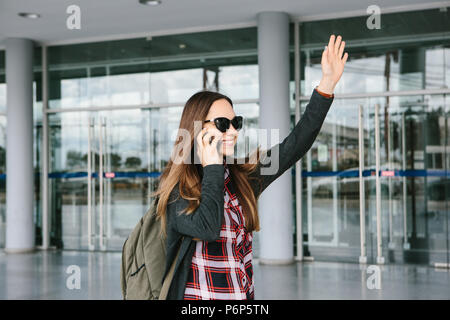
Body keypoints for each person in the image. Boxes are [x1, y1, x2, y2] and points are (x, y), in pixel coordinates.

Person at [151, 34, 348, 300]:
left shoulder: (241, 178)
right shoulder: (176, 189)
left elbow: (295, 146)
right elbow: (207, 228)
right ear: (198, 127)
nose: (232, 130)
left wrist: (326, 85)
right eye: (223, 123)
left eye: (237, 122)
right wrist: (211, 168)